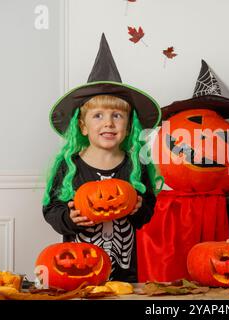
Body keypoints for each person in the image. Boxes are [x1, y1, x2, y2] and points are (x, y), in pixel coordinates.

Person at [42, 34, 163, 283]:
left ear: (129, 127)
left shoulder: (135, 166)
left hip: (126, 271)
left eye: (117, 116)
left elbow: (149, 207)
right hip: (78, 266)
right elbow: (51, 208)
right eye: (98, 116)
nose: (108, 122)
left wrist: (140, 208)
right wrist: (68, 217)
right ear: (82, 127)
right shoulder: (69, 165)